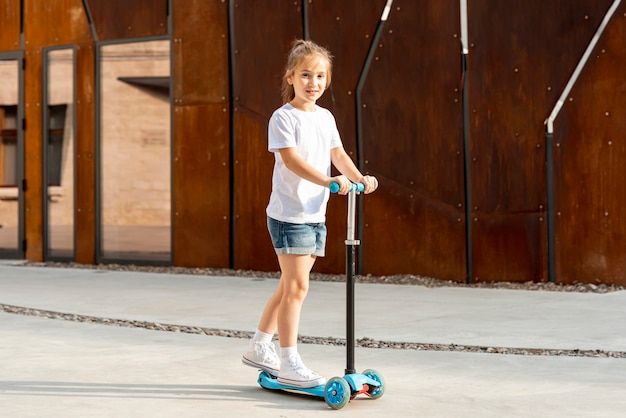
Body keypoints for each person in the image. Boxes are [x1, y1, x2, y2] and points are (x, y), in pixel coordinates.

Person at [242, 39, 378, 388]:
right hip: (290, 214)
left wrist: (358, 177)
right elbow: (292, 161)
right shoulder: (283, 117)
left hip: (314, 213)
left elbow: (339, 155)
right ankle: (289, 362)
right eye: (305, 75)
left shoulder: (326, 117)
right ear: (290, 77)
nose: (312, 83)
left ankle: (259, 345)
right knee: (298, 288)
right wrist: (328, 181)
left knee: (290, 285)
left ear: (327, 81)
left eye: (319, 76)